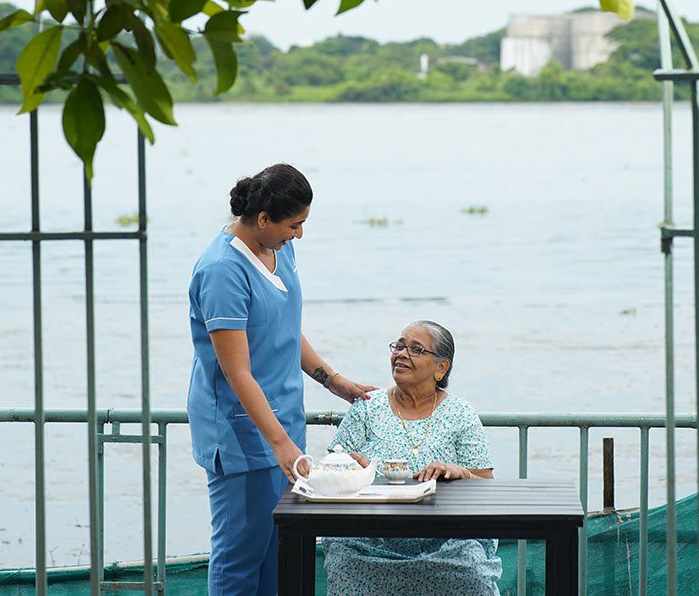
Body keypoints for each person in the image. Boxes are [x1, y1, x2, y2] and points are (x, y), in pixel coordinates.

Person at [186, 163, 377, 595]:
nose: (299, 235)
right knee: (240, 555)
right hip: (243, 433)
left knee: (278, 553)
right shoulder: (221, 271)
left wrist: (333, 381)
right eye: (294, 225)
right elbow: (237, 372)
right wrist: (281, 445)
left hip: (282, 424)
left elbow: (286, 328)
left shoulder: (280, 249)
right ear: (263, 218)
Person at [322, 320, 501, 595]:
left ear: (441, 368)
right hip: (371, 541)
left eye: (416, 349)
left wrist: (460, 472)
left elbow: (485, 482)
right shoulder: (368, 407)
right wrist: (353, 468)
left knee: (471, 570)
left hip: (446, 540)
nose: (402, 354)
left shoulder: (460, 412)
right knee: (345, 562)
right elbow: (331, 466)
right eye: (399, 346)